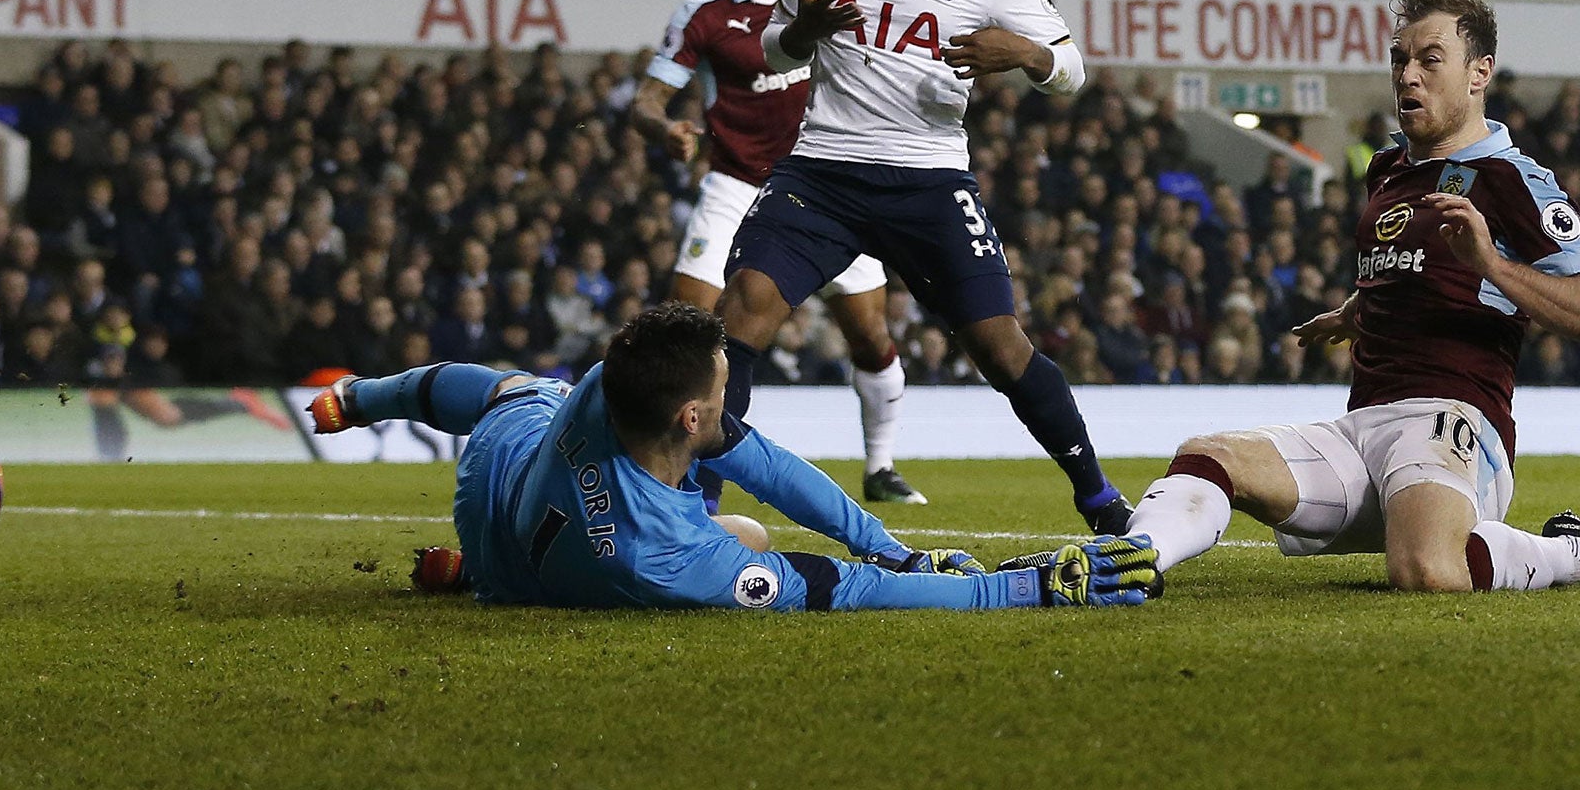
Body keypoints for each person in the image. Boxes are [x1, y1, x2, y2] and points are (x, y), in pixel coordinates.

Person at [1125, 0, 1580, 593]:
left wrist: (1492, 263)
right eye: (1399, 60)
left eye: (1430, 60)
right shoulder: (1388, 169)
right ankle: (1131, 562)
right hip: (1363, 427)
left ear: (1478, 72)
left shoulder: (1513, 181)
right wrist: (1355, 311)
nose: (1408, 76)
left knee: (1426, 572)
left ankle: (1577, 554)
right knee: (1209, 454)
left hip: (1452, 418)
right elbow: (1416, 269)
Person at [720, 0, 1133, 535]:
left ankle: (1099, 497)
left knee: (1002, 349)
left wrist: (1024, 52)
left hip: (929, 177)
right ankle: (692, 509)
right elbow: (775, 46)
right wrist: (805, 30)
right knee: (738, 317)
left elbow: (1072, 72)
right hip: (823, 171)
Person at [308, 301, 1157, 611]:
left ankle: (471, 568)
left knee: (513, 394)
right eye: (721, 396)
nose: (731, 406)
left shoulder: (609, 383)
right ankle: (477, 581)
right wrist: (1019, 586)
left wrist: (360, 398)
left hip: (496, 488)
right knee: (746, 533)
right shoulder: (676, 562)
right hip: (546, 568)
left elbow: (464, 389)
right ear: (689, 416)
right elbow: (840, 588)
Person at [633, 0, 923, 508]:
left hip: (825, 186)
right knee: (689, 334)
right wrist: (665, 128)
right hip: (735, 185)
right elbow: (647, 101)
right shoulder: (704, 11)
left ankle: (881, 465)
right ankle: (675, 477)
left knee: (871, 335)